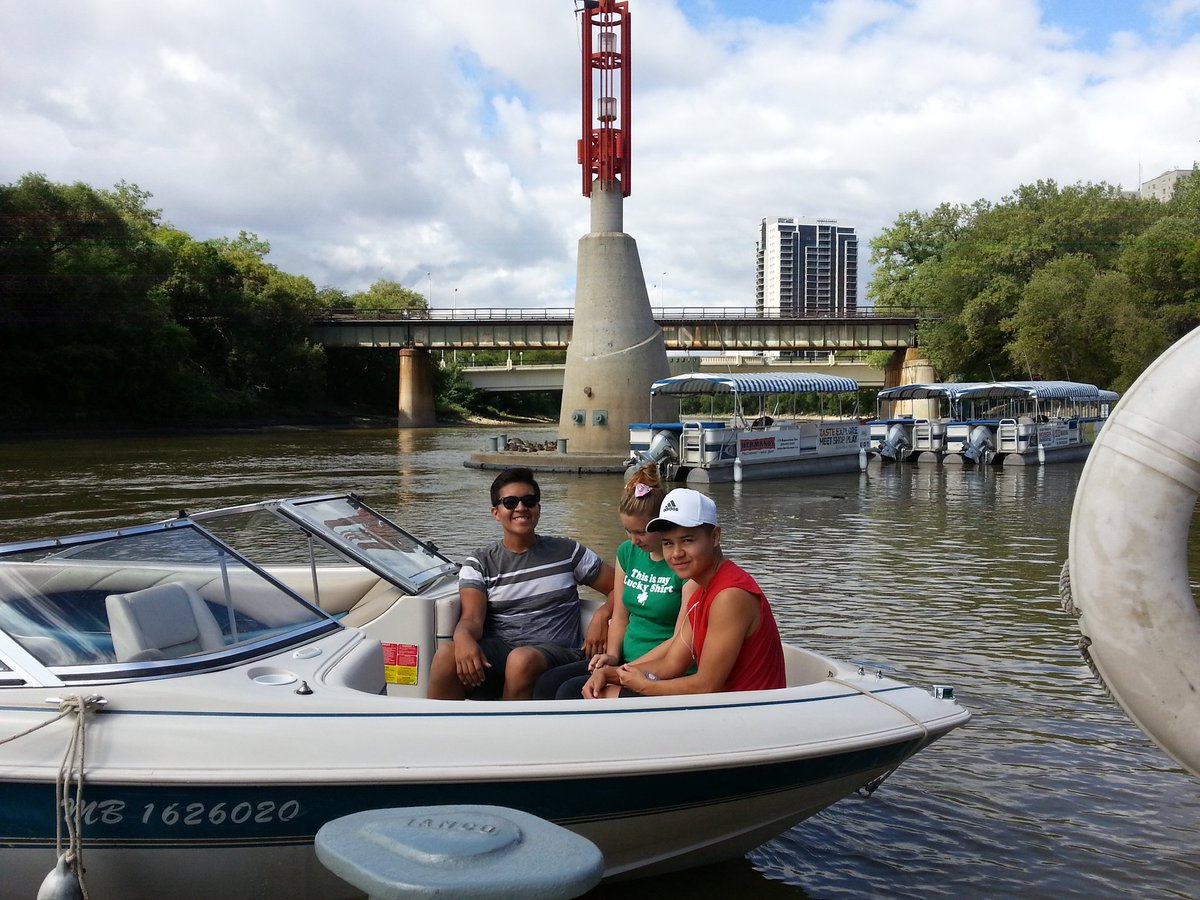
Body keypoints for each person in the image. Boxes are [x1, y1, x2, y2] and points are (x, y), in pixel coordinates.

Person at [428, 467, 615, 701]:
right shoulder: (479, 562)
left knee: (521, 659)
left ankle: (508, 734)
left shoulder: (568, 552)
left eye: (529, 500)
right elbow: (471, 619)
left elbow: (621, 585)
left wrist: (602, 614)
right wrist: (463, 639)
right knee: (446, 655)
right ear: (496, 512)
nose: (521, 508)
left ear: (538, 508)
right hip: (502, 651)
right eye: (510, 502)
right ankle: (440, 733)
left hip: (558, 653)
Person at [582, 487, 786, 698]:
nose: (676, 553)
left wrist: (645, 686)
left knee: (581, 694)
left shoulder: (730, 595)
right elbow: (672, 663)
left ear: (715, 537)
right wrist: (610, 674)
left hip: (748, 715)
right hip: (722, 708)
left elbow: (707, 685)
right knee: (585, 689)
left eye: (687, 540)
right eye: (668, 543)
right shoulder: (701, 591)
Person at [533, 464, 685, 700]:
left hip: (658, 667)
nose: (634, 540)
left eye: (641, 532)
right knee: (547, 681)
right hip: (626, 659)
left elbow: (681, 638)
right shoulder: (627, 553)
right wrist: (612, 657)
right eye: (628, 531)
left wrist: (618, 671)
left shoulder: (680, 563)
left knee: (569, 692)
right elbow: (621, 616)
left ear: (661, 524)